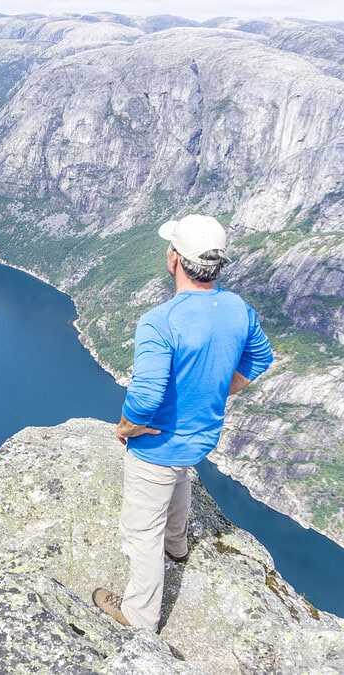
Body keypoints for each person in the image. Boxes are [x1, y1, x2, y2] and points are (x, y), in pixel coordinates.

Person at [91, 214, 274, 632]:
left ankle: (138, 618)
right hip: (200, 439)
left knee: (140, 533)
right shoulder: (237, 309)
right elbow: (260, 358)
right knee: (179, 480)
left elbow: (146, 395)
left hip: (157, 446)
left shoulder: (161, 321)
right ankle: (177, 545)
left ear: (175, 258)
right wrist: (218, 391)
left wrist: (125, 428)